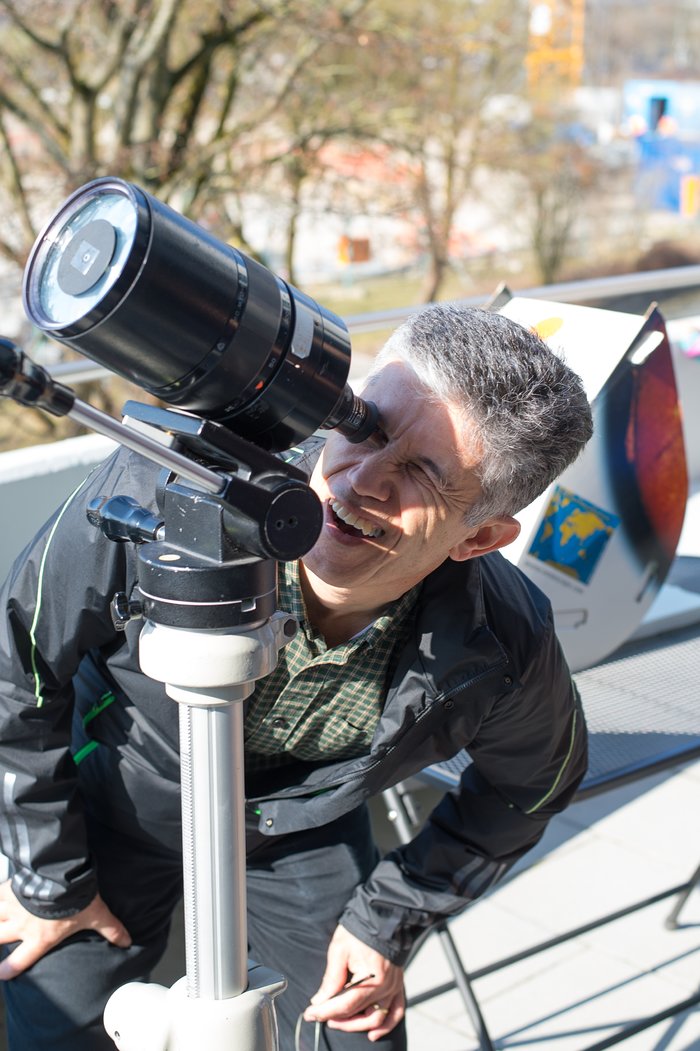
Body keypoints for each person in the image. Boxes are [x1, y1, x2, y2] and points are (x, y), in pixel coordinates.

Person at [0, 303, 593, 1051]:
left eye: (422, 473)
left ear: (480, 535)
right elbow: (14, 661)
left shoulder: (503, 643)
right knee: (54, 1019)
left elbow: (534, 784)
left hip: (294, 828)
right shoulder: (166, 488)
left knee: (357, 1033)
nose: (358, 481)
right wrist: (47, 877)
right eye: (365, 428)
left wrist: (388, 919)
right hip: (113, 795)